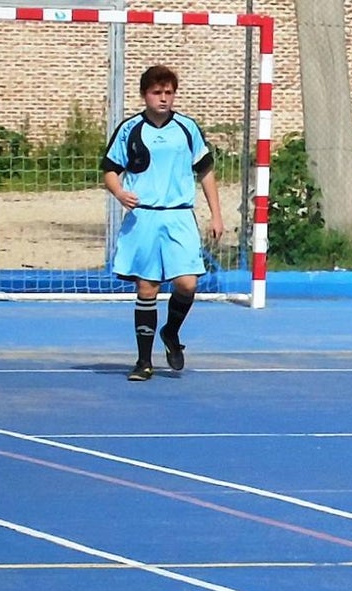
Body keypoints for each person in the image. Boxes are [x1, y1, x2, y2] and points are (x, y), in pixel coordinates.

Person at [101, 65, 224, 381]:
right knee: (147, 286)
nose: (164, 98)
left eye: (169, 92)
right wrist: (119, 192)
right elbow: (111, 169)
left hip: (179, 215)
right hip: (144, 217)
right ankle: (143, 361)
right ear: (145, 95)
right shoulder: (129, 129)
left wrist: (217, 214)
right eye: (157, 92)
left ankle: (171, 331)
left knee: (188, 283)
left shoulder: (186, 128)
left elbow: (205, 170)